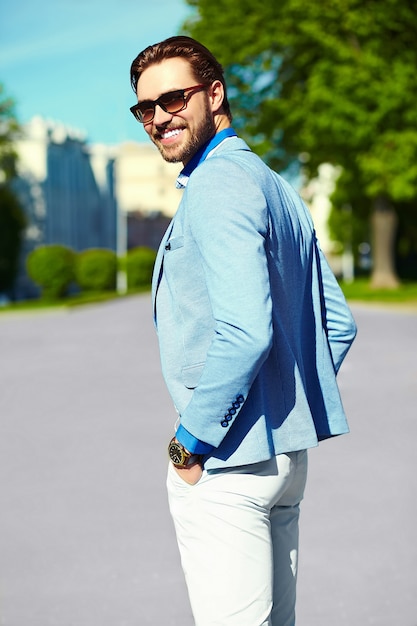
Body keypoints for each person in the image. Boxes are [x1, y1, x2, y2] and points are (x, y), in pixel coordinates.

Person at [129, 36, 357, 626]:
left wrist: (192, 442)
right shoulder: (275, 184)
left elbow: (247, 331)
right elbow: (338, 323)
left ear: (215, 93)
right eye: (145, 108)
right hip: (281, 462)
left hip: (227, 466)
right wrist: (282, 405)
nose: (158, 118)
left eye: (173, 98)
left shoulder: (216, 185)